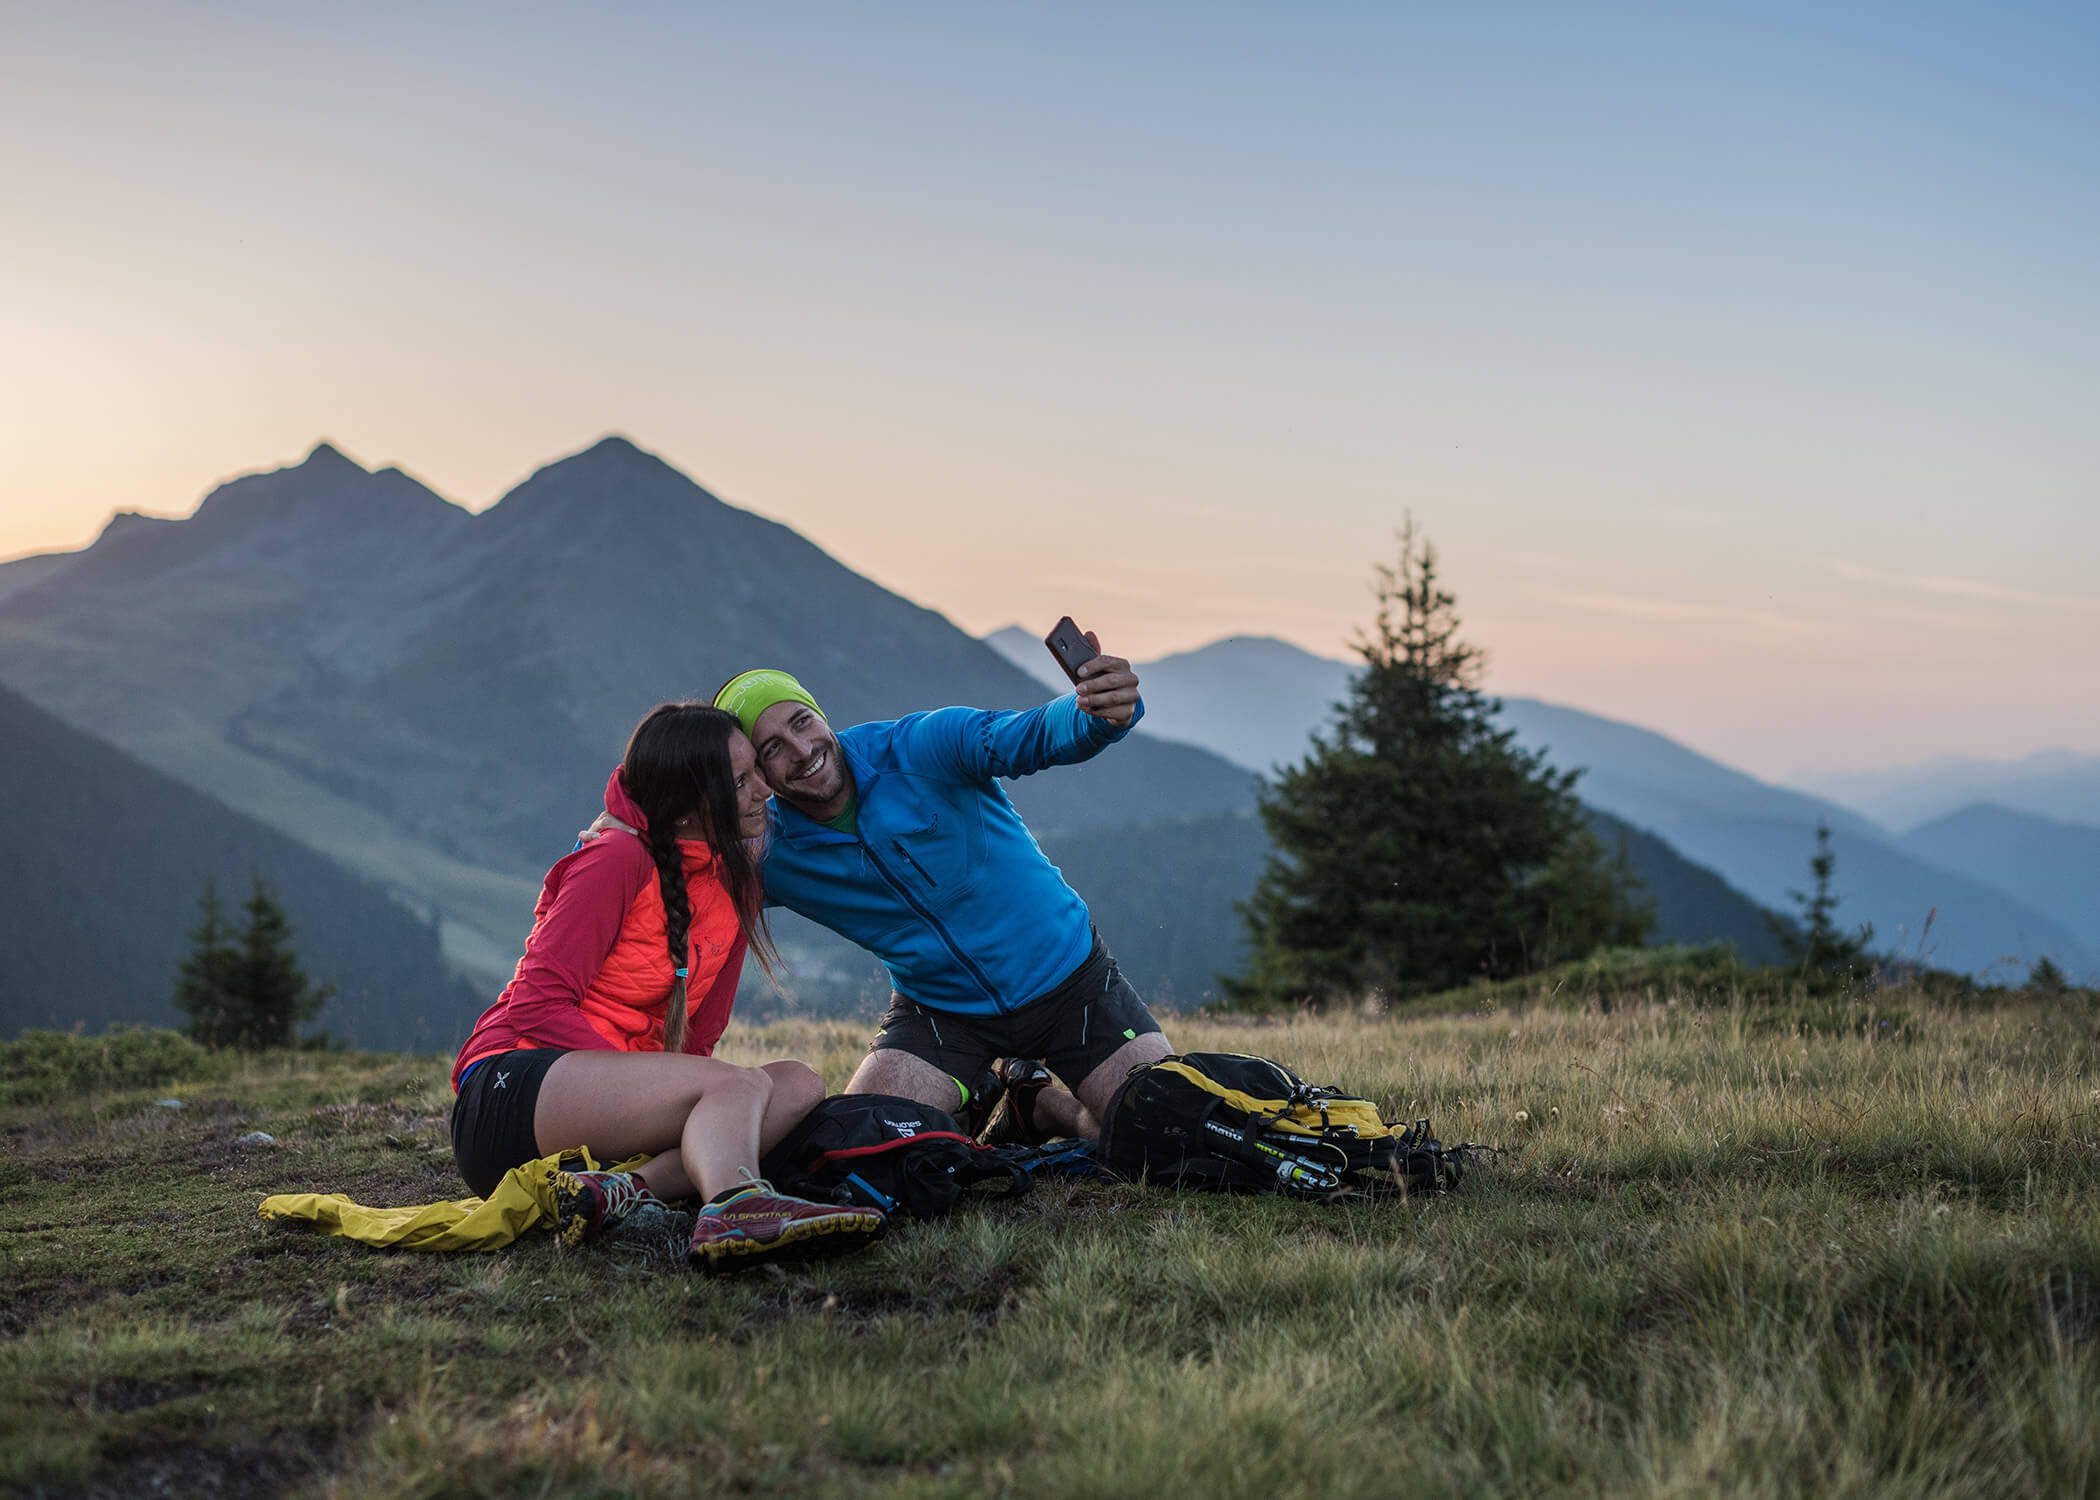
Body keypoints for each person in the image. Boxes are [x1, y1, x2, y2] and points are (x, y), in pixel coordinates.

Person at [448, 701, 884, 1272]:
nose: (764, 791)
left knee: (798, 1083)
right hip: (508, 1094)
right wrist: (638, 1087)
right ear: (685, 809)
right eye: (740, 782)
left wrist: (653, 1098)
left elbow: (697, 1042)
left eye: (757, 771)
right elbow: (536, 1003)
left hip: (599, 1116)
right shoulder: (617, 857)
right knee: (732, 1089)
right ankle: (736, 1206)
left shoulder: (735, 883)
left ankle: (616, 1192)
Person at [711, 637, 1175, 1143]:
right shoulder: (767, 849)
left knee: (1159, 1130)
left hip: (1071, 983)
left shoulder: (920, 747)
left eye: (802, 722)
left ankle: (1041, 1108)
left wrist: (1102, 713)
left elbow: (1031, 733)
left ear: (820, 715)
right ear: (756, 773)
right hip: (939, 1014)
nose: (802, 751)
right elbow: (673, 867)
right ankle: (974, 1103)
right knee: (860, 1145)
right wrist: (621, 825)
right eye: (772, 749)